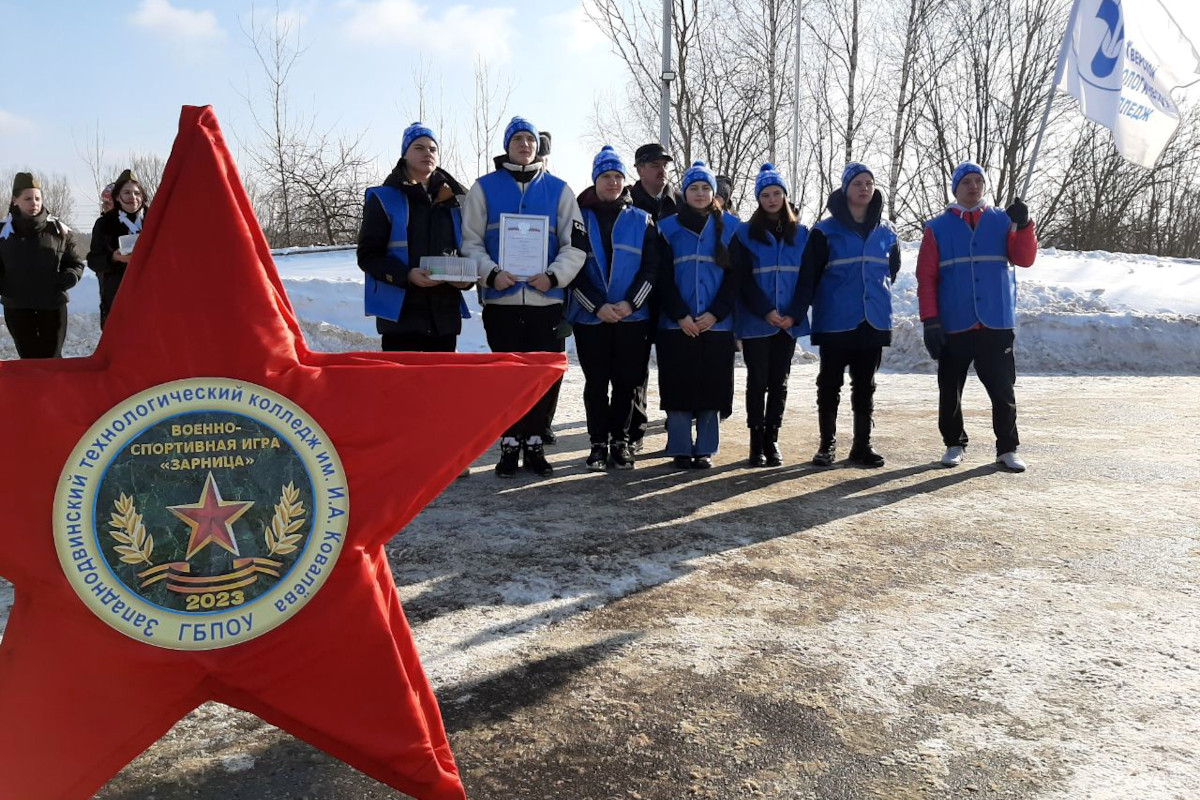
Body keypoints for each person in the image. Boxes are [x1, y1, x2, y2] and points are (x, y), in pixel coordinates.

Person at [462, 115, 588, 478]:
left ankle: (534, 441)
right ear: (507, 145)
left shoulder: (560, 190)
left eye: (530, 139)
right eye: (518, 138)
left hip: (545, 302)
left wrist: (553, 276)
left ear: (537, 146)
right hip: (501, 302)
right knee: (506, 377)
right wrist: (490, 273)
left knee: (543, 376)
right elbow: (470, 241)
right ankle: (509, 443)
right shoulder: (483, 188)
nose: (525, 145)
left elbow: (575, 245)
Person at [917, 161, 1037, 473]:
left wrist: (1024, 226)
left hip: (995, 321)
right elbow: (926, 278)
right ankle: (953, 442)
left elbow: (1024, 258)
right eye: (966, 181)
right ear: (955, 188)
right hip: (955, 322)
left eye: (978, 181)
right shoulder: (936, 228)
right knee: (950, 387)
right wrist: (930, 320)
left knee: (1002, 388)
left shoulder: (1003, 220)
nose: (973, 186)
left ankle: (1007, 447)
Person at [798, 162, 900, 468]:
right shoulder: (824, 231)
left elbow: (891, 270)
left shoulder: (887, 231)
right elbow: (809, 275)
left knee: (865, 385)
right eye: (858, 183)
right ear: (845, 189)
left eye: (869, 183)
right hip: (835, 320)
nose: (864, 188)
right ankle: (826, 445)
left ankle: (861, 445)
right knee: (830, 383)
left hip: (873, 319)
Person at [567, 146, 660, 471]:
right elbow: (572, 270)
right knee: (596, 384)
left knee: (627, 382)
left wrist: (629, 303)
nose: (612, 182)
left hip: (632, 317)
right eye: (606, 176)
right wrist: (597, 307)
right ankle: (597, 444)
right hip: (591, 318)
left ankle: (621, 442)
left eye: (618, 176)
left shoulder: (642, 220)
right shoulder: (578, 220)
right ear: (595, 180)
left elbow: (652, 268)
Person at [357, 121, 473, 353]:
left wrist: (466, 280)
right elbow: (367, 256)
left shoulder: (458, 201)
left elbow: (470, 250)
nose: (427, 153)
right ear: (404, 154)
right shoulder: (384, 198)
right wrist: (407, 275)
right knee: (402, 389)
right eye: (419, 147)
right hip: (401, 320)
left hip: (444, 320)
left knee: (440, 388)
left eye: (432, 149)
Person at [655, 161, 740, 469]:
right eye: (694, 188)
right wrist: (680, 315)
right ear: (685, 193)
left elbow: (736, 278)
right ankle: (678, 446)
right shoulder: (666, 228)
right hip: (676, 324)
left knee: (712, 387)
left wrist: (715, 314)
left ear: (714, 193)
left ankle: (705, 447)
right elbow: (661, 277)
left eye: (706, 188)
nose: (701, 193)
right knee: (678, 385)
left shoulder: (731, 227)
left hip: (716, 325)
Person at [731, 164, 809, 467]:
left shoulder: (802, 235)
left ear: (786, 196)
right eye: (766, 194)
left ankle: (772, 439)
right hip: (756, 321)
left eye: (777, 193)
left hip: (788, 323)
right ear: (758, 199)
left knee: (780, 381)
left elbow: (807, 279)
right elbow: (742, 279)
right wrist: (765, 310)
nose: (772, 199)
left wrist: (793, 313)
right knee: (757, 380)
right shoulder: (744, 234)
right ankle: (755, 442)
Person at [627, 142, 682, 454]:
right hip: (636, 294)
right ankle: (635, 430)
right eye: (653, 164)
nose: (661, 170)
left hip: (672, 296)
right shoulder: (627, 202)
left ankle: (675, 427)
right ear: (639, 168)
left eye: (664, 164)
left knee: (675, 365)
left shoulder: (679, 203)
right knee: (635, 367)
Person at [0, 172, 84, 358]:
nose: (34, 203)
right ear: (15, 200)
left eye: (37, 198)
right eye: (28, 198)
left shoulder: (58, 230)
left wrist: (68, 277)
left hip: (52, 306)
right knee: (29, 360)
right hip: (17, 307)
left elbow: (75, 262)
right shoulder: (3, 232)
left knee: (53, 359)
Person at [87, 169, 149, 328]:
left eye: (137, 193)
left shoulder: (155, 219)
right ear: (117, 197)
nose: (133, 198)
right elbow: (94, 261)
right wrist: (114, 258)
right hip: (116, 297)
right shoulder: (104, 224)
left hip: (151, 297)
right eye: (127, 192)